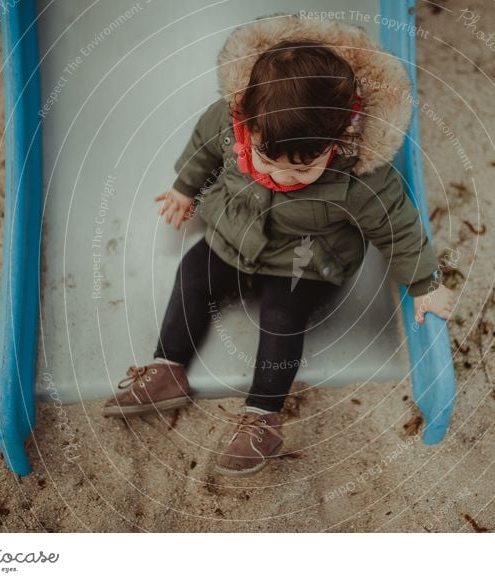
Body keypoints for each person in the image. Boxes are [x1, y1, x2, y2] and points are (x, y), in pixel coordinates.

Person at [103, 15, 455, 477]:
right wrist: (185, 189)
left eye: (302, 170)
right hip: (235, 237)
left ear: (340, 139)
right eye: (268, 161)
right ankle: (168, 368)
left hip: (306, 263)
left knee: (282, 314)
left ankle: (262, 416)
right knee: (193, 271)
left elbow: (400, 227)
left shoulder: (359, 177)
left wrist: (425, 283)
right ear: (246, 120)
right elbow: (202, 150)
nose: (281, 178)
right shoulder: (231, 125)